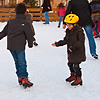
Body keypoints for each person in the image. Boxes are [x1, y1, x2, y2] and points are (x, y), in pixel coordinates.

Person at [0, 3, 34, 89]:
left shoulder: (11, 22)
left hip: (11, 45)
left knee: (17, 61)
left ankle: (20, 76)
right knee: (22, 62)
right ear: (25, 12)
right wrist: (30, 43)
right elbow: (29, 35)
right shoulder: (25, 23)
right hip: (19, 46)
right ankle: (24, 78)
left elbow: (4, 33)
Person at [52, 14, 86, 86]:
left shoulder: (79, 31)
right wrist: (58, 44)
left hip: (78, 52)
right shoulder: (68, 31)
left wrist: (74, 47)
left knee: (76, 65)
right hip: (71, 52)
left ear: (75, 24)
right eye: (67, 25)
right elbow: (65, 40)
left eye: (70, 25)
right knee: (70, 64)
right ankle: (73, 75)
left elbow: (81, 41)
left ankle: (79, 78)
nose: (68, 27)